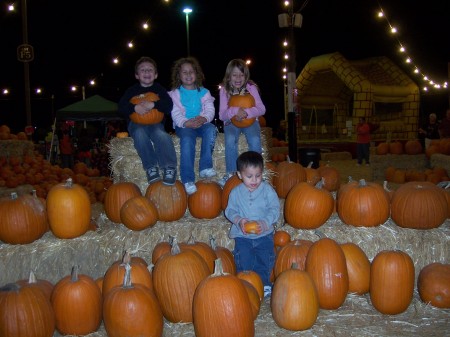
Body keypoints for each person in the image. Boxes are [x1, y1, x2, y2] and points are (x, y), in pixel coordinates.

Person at [224, 151, 280, 297]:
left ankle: (265, 283)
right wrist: (239, 220)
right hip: (242, 236)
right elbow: (229, 211)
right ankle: (245, 284)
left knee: (265, 259)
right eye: (249, 176)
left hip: (264, 235)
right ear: (239, 174)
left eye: (258, 175)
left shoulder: (267, 190)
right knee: (244, 260)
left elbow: (274, 209)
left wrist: (265, 222)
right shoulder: (235, 193)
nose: (254, 180)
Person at [118, 56, 177, 185]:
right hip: (136, 124)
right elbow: (121, 107)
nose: (146, 72)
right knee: (139, 134)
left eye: (150, 70)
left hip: (156, 124)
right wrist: (134, 107)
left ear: (155, 75)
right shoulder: (132, 91)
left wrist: (154, 105)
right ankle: (151, 167)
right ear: (137, 75)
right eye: (143, 70)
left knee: (161, 135)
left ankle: (169, 167)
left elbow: (168, 106)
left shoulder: (159, 89)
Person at [168, 57, 217, 195]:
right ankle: (188, 178)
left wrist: (204, 118)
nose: (188, 74)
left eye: (191, 71)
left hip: (201, 123)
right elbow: (175, 112)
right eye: (184, 72)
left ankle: (205, 166)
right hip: (184, 126)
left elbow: (210, 109)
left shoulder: (204, 92)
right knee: (187, 141)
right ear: (179, 75)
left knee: (211, 130)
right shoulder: (175, 94)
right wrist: (185, 122)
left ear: (197, 74)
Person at [218, 59, 266, 187]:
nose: (238, 78)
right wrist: (235, 111)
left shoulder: (251, 88)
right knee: (230, 139)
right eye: (234, 75)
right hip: (231, 123)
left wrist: (246, 113)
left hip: (250, 122)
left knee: (255, 139)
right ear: (229, 77)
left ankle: (257, 172)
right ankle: (231, 173)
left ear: (246, 76)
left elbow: (262, 109)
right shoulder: (224, 90)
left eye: (241, 74)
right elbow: (222, 115)